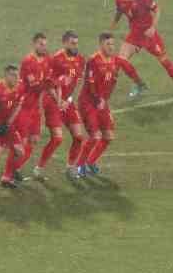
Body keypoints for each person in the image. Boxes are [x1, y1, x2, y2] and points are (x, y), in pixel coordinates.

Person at [76, 33, 145, 178]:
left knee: (108, 136)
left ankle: (90, 162)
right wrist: (98, 100)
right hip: (88, 103)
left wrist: (139, 82)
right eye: (108, 44)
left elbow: (128, 69)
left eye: (113, 44)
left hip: (102, 103)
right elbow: (90, 83)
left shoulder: (115, 60)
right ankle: (80, 166)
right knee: (94, 136)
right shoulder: (93, 60)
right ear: (101, 44)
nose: (111, 47)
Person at [112, 0, 173, 101]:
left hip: (149, 36)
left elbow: (157, 9)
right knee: (121, 60)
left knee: (164, 61)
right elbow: (119, 11)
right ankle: (140, 85)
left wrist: (153, 28)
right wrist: (112, 26)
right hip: (135, 35)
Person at [34, 29, 88, 179]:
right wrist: (59, 101)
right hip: (52, 101)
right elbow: (49, 84)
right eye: (72, 43)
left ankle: (70, 167)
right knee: (57, 138)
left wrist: (69, 100)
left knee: (79, 137)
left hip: (67, 102)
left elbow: (76, 82)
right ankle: (39, 168)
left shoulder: (80, 60)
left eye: (76, 43)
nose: (75, 46)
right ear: (64, 43)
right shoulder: (56, 59)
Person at [11, 32, 54, 182]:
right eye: (41, 44)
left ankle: (15, 168)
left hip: (35, 106)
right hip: (23, 106)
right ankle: (10, 171)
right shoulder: (28, 61)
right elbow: (35, 86)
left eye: (45, 44)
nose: (44, 47)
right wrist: (50, 83)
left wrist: (52, 82)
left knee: (34, 139)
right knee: (21, 143)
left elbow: (49, 77)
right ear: (34, 44)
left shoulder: (48, 59)